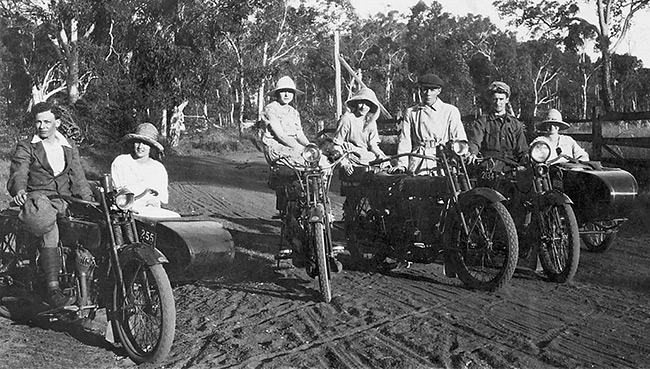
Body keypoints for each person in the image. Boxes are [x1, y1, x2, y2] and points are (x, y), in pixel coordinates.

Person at [7, 101, 93, 308]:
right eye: (38, 122)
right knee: (48, 225)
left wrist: (89, 201)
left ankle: (85, 281)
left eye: (47, 121)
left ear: (58, 123)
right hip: (38, 199)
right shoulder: (27, 146)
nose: (42, 126)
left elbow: (78, 177)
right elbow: (20, 171)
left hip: (64, 200)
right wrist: (19, 190)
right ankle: (53, 289)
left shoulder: (69, 146)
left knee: (90, 227)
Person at [391, 73, 467, 175]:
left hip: (441, 162)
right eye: (425, 89)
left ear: (439, 91)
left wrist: (455, 156)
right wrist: (402, 164)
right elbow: (405, 141)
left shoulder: (450, 111)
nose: (428, 93)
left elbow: (460, 140)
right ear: (420, 90)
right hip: (419, 162)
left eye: (432, 90)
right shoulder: (411, 112)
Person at [111, 123, 180, 219]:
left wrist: (154, 202)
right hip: (126, 210)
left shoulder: (158, 168)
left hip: (149, 211)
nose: (140, 147)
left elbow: (160, 197)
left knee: (174, 217)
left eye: (145, 143)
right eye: (137, 142)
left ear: (151, 146)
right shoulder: (121, 162)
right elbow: (117, 191)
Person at [466, 81, 528, 165]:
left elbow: (522, 149)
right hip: (489, 165)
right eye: (495, 99)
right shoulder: (483, 121)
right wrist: (473, 153)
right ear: (491, 100)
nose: (498, 103)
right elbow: (475, 141)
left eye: (501, 99)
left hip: (510, 166)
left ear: (507, 100)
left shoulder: (515, 123)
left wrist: (525, 163)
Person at [333, 87, 387, 172]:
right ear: (356, 103)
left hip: (366, 157)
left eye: (367, 104)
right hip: (350, 157)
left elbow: (373, 145)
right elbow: (337, 145)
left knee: (386, 167)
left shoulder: (371, 122)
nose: (363, 107)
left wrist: (381, 156)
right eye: (361, 103)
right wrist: (344, 163)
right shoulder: (347, 119)